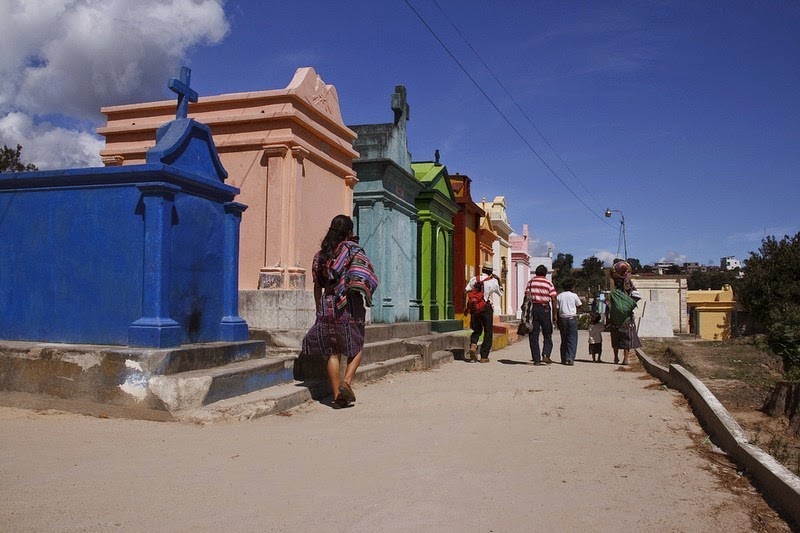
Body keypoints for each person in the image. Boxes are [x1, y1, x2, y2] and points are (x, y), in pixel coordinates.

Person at [301, 215, 378, 408]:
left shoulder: (320, 255)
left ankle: (337, 397)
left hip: (328, 304)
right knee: (357, 345)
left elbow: (317, 285)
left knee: (333, 352)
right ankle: (346, 382)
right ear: (350, 232)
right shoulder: (353, 250)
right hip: (349, 304)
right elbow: (364, 273)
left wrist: (319, 307)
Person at [464, 261, 504, 363]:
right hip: (486, 308)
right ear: (491, 272)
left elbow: (466, 291)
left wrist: (467, 307)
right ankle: (484, 357)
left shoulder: (474, 279)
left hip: (475, 308)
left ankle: (473, 345)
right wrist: (498, 280)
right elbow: (501, 293)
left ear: (482, 270)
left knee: (476, 330)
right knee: (488, 331)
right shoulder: (493, 282)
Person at [525, 265, 558, 365]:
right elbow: (553, 298)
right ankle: (546, 354)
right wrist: (554, 314)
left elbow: (526, 296)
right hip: (545, 309)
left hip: (533, 309)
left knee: (533, 334)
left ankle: (536, 359)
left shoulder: (530, 283)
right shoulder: (549, 283)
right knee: (547, 333)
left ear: (536, 273)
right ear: (545, 274)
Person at [606, 276, 641, 365]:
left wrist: (608, 319)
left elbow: (607, 305)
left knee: (615, 339)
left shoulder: (611, 294)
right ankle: (625, 359)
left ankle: (616, 357)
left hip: (615, 320)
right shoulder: (627, 295)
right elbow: (635, 299)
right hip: (627, 320)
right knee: (627, 340)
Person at [556, 278, 582, 365]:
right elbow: (579, 305)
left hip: (562, 318)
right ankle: (570, 357)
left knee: (564, 339)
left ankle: (563, 358)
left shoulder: (559, 296)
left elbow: (557, 308)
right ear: (572, 287)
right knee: (572, 339)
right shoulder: (574, 295)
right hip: (571, 318)